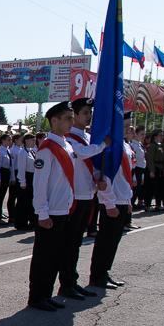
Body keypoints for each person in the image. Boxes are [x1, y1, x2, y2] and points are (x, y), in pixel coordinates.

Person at [27, 103, 77, 312]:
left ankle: (46, 293)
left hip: (63, 209)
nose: (71, 122)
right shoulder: (47, 148)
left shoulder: (66, 145)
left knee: (55, 255)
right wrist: (42, 212)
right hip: (51, 212)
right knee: (43, 257)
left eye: (71, 118)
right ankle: (37, 296)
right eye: (67, 118)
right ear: (54, 120)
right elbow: (40, 184)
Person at [61, 98, 106, 300]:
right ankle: (66, 283)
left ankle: (73, 281)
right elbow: (82, 154)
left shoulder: (87, 137)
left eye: (90, 112)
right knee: (69, 243)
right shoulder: (70, 138)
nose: (89, 116)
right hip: (75, 197)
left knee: (77, 242)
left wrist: (99, 177)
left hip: (88, 194)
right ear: (75, 115)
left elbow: (92, 162)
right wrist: (104, 144)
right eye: (85, 113)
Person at [89, 136, 136, 290]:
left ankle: (104, 272)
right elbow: (104, 175)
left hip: (122, 197)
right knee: (106, 239)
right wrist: (109, 202)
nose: (129, 129)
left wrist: (128, 199)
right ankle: (97, 276)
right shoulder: (111, 147)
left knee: (114, 240)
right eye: (125, 125)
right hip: (112, 198)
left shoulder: (125, 145)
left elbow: (126, 174)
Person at [13, 134, 38, 230]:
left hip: (32, 177)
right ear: (26, 141)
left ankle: (30, 221)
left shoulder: (33, 151)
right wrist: (23, 182)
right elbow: (21, 168)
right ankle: (20, 223)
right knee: (23, 202)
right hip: (25, 177)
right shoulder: (22, 152)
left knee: (30, 201)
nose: (33, 141)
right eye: (32, 140)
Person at [0, 133, 14, 223]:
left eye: (10, 140)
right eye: (8, 140)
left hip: (6, 174)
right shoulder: (0, 151)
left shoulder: (8, 150)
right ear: (3, 140)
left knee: (2, 196)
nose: (10, 141)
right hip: (2, 173)